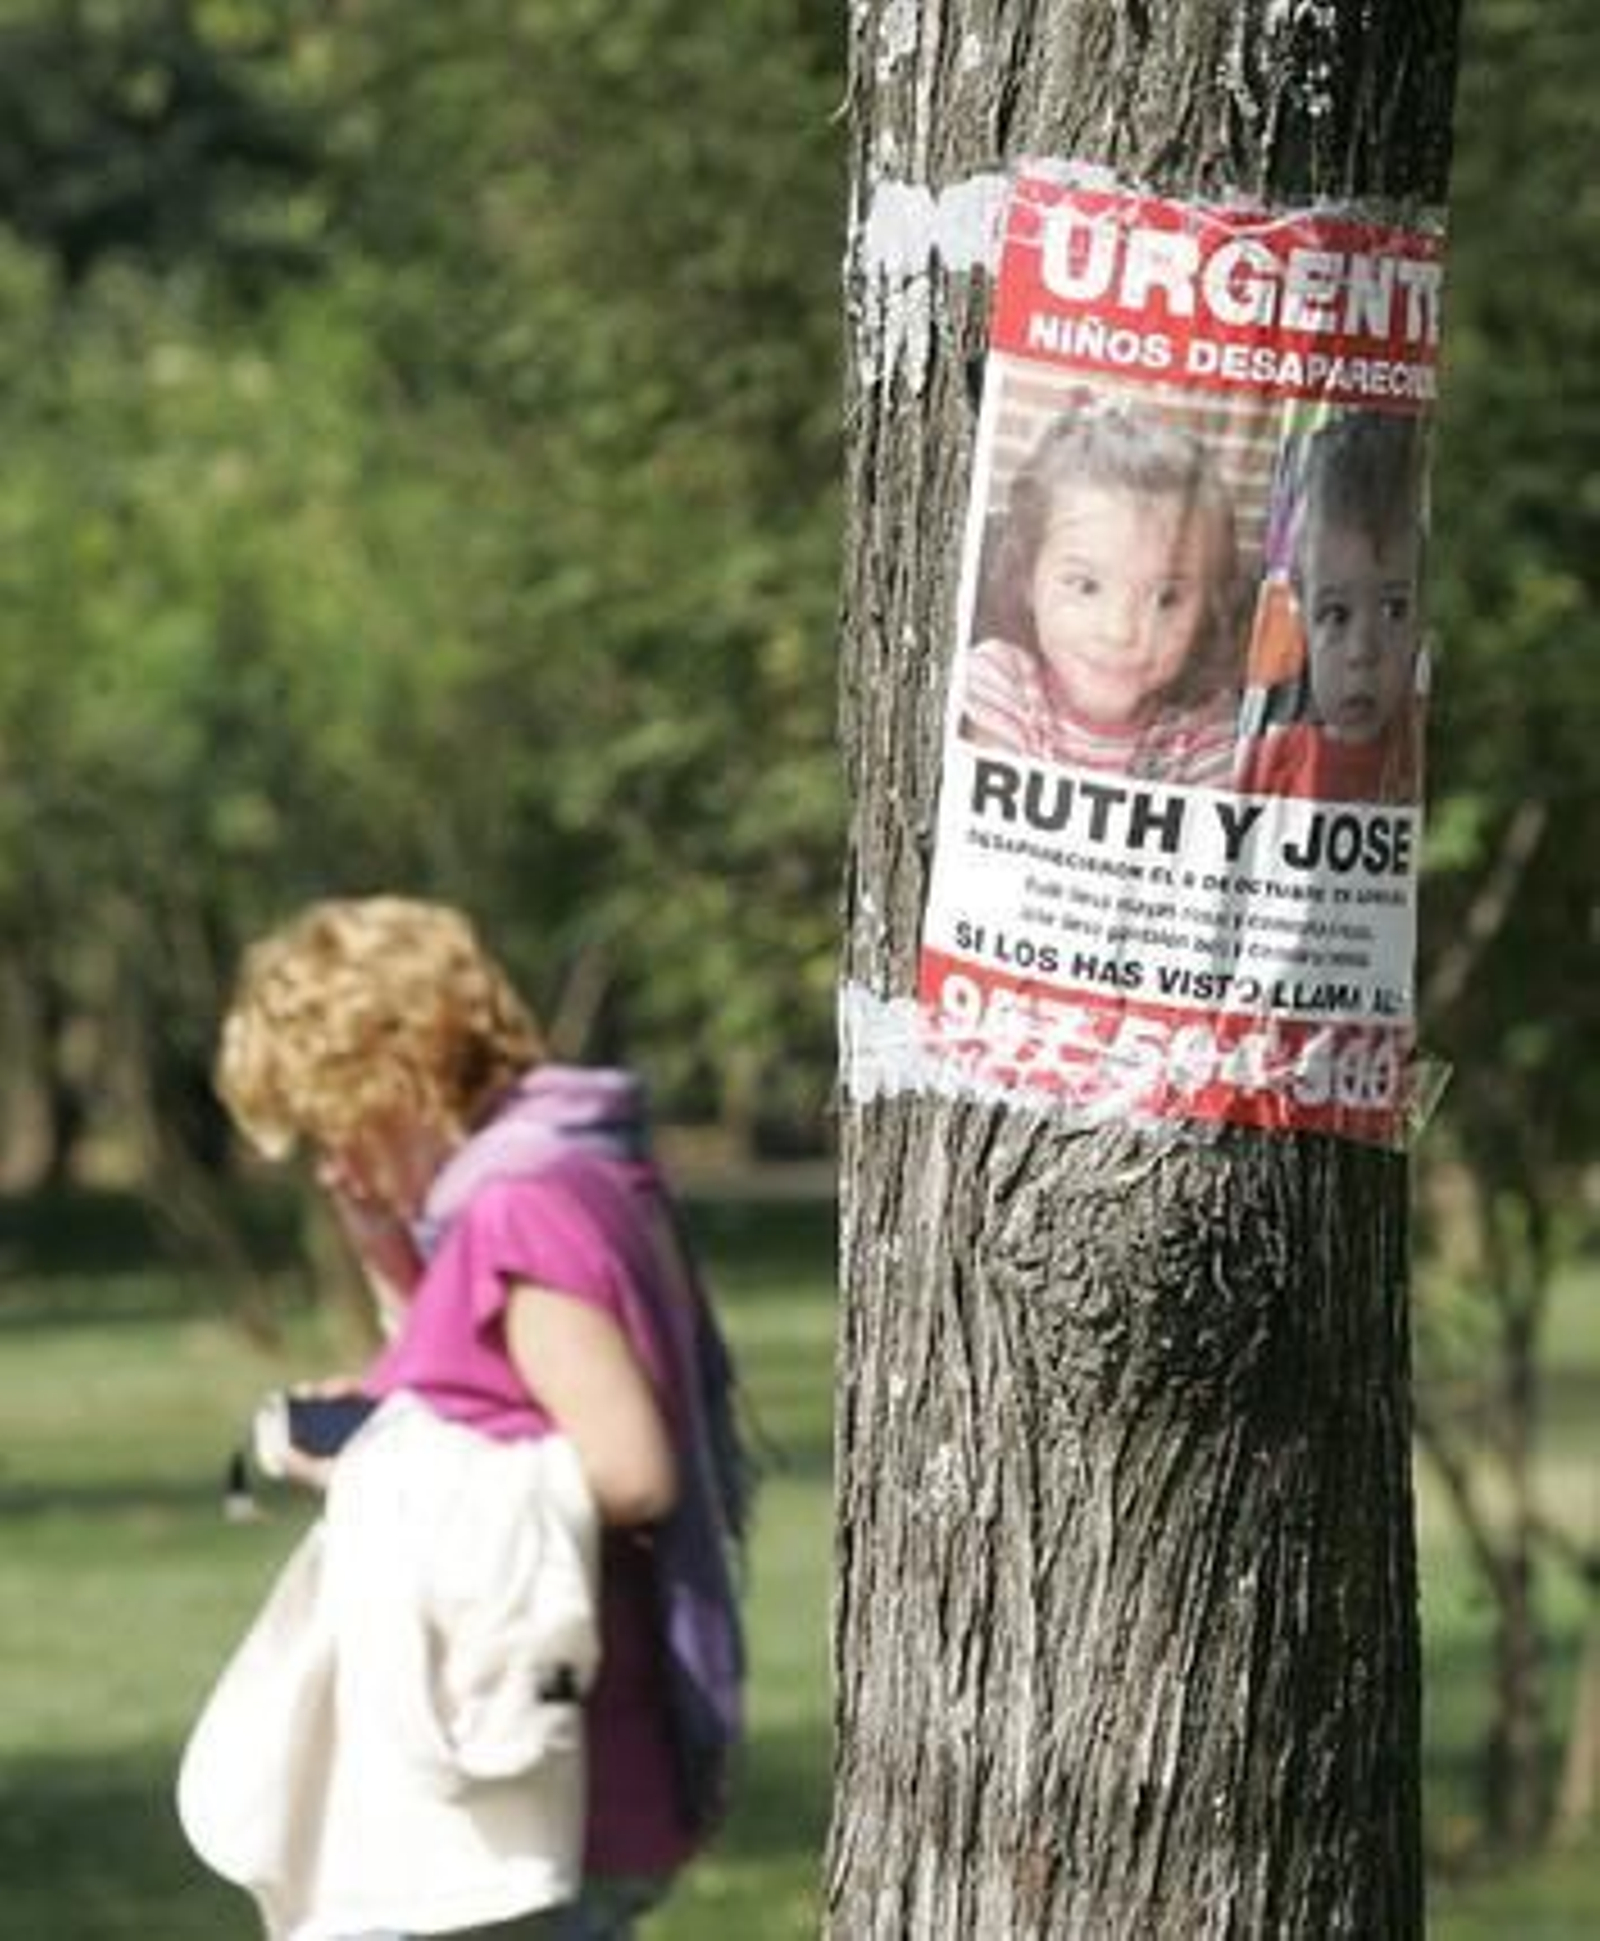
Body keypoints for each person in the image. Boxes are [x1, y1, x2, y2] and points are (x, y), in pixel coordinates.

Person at [180, 897, 748, 1941]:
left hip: (537, 1779)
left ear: (391, 1079)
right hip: (532, 1761)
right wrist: (388, 1258)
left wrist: (374, 1469)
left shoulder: (519, 1206)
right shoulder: (554, 1172)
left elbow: (628, 1469)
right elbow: (478, 1388)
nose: (328, 1165)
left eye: (332, 1124)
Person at [960, 395, 1245, 784]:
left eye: (1166, 598)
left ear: (1208, 606)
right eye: (1087, 586)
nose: (1120, 631)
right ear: (1028, 576)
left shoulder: (1204, 730)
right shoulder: (1003, 683)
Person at [1234, 411, 1426, 803]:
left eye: (1393, 609)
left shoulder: (1419, 748)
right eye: (1336, 614)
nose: (1362, 652)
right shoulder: (1268, 761)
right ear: (1300, 609)